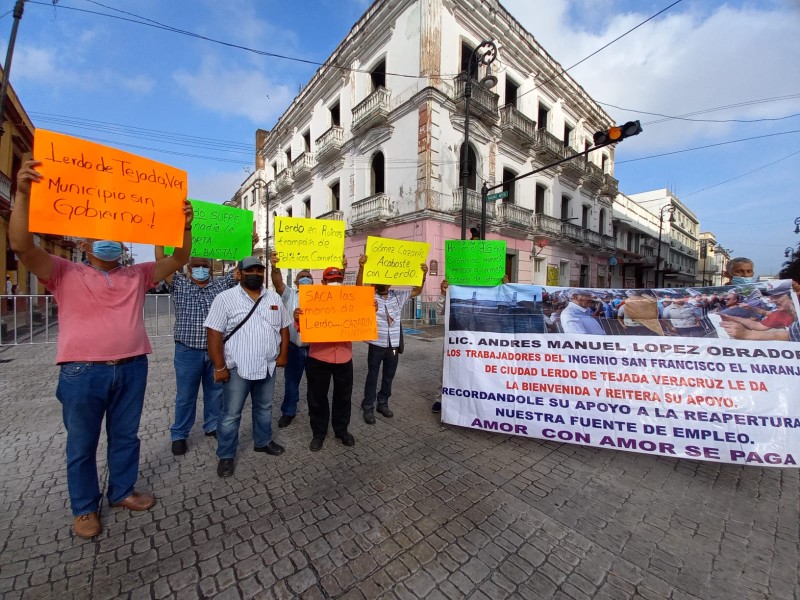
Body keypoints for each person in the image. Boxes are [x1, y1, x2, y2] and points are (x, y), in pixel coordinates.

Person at [8, 158, 194, 539]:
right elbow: (21, 246)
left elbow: (179, 258)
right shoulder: (63, 271)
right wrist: (23, 194)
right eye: (98, 236)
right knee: (82, 443)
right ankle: (84, 508)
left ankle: (122, 491)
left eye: (114, 237)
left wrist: (184, 227)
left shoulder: (137, 274)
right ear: (83, 243)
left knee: (126, 436)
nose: (107, 243)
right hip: (81, 373)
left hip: (131, 367)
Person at [156, 239, 256, 456]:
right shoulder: (179, 283)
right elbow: (161, 261)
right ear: (188, 268)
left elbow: (240, 270)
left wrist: (245, 244)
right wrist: (160, 239)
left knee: (215, 392)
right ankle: (180, 434)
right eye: (196, 266)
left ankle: (212, 426)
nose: (200, 269)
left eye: (204, 266)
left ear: (210, 269)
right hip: (187, 351)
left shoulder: (220, 285)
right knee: (185, 395)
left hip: (214, 351)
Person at [204, 256, 292, 478]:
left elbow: (284, 327)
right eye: (250, 270)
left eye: (259, 271)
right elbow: (214, 333)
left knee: (264, 408)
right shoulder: (225, 299)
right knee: (231, 414)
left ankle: (262, 441)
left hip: (267, 367)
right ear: (239, 274)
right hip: (237, 369)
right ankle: (226, 455)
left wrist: (283, 355)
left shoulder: (273, 297)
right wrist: (219, 366)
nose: (256, 274)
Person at [293, 263, 359, 451]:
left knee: (344, 397)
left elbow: (363, 318)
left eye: (338, 280)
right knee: (317, 398)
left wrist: (370, 307)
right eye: (331, 281)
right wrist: (298, 319)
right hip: (319, 357)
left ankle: (341, 430)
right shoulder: (313, 300)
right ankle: (319, 433)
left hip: (345, 357)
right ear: (323, 282)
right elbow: (303, 329)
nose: (335, 283)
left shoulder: (351, 299)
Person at [357, 254, 427, 424]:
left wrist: (422, 275)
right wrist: (362, 267)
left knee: (389, 374)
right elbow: (358, 288)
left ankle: (383, 402)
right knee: (372, 375)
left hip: (393, 345)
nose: (384, 282)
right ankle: (368, 406)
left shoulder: (398, 295)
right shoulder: (370, 295)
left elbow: (416, 290)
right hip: (376, 344)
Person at [270, 253, 313, 429]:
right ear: (296, 282)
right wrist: (274, 267)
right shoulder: (289, 294)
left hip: (315, 348)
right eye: (302, 278)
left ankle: (315, 410)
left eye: (308, 278)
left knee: (316, 382)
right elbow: (278, 283)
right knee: (291, 382)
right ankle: (288, 411)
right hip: (295, 348)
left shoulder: (320, 296)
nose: (305, 280)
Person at [431, 279, 449, 414]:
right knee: (446, 367)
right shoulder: (454, 289)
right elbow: (440, 311)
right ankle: (440, 399)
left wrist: (504, 287)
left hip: (479, 337)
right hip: (455, 337)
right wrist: (443, 294)